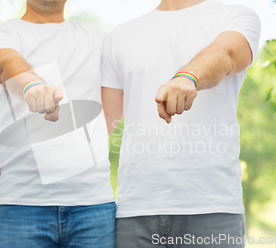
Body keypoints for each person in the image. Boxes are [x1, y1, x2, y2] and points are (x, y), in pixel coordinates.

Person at [101, 0, 261, 247]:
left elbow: (227, 54)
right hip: (136, 210)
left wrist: (188, 77)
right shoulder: (119, 36)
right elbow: (100, 123)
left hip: (212, 208)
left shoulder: (235, 16)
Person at [0, 0, 115, 247]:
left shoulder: (99, 40)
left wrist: (73, 151)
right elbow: (5, 64)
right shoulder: (2, 35)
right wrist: (32, 86)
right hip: (22, 205)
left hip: (93, 204)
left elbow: (113, 107)